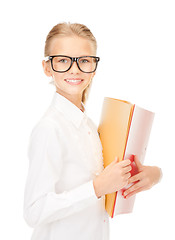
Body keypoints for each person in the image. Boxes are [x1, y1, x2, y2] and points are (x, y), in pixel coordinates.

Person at [23, 22, 162, 240]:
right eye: (62, 60)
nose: (74, 69)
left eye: (84, 60)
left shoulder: (88, 125)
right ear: (47, 67)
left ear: (94, 68)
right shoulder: (50, 129)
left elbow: (108, 179)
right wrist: (96, 188)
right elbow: (34, 211)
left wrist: (153, 174)